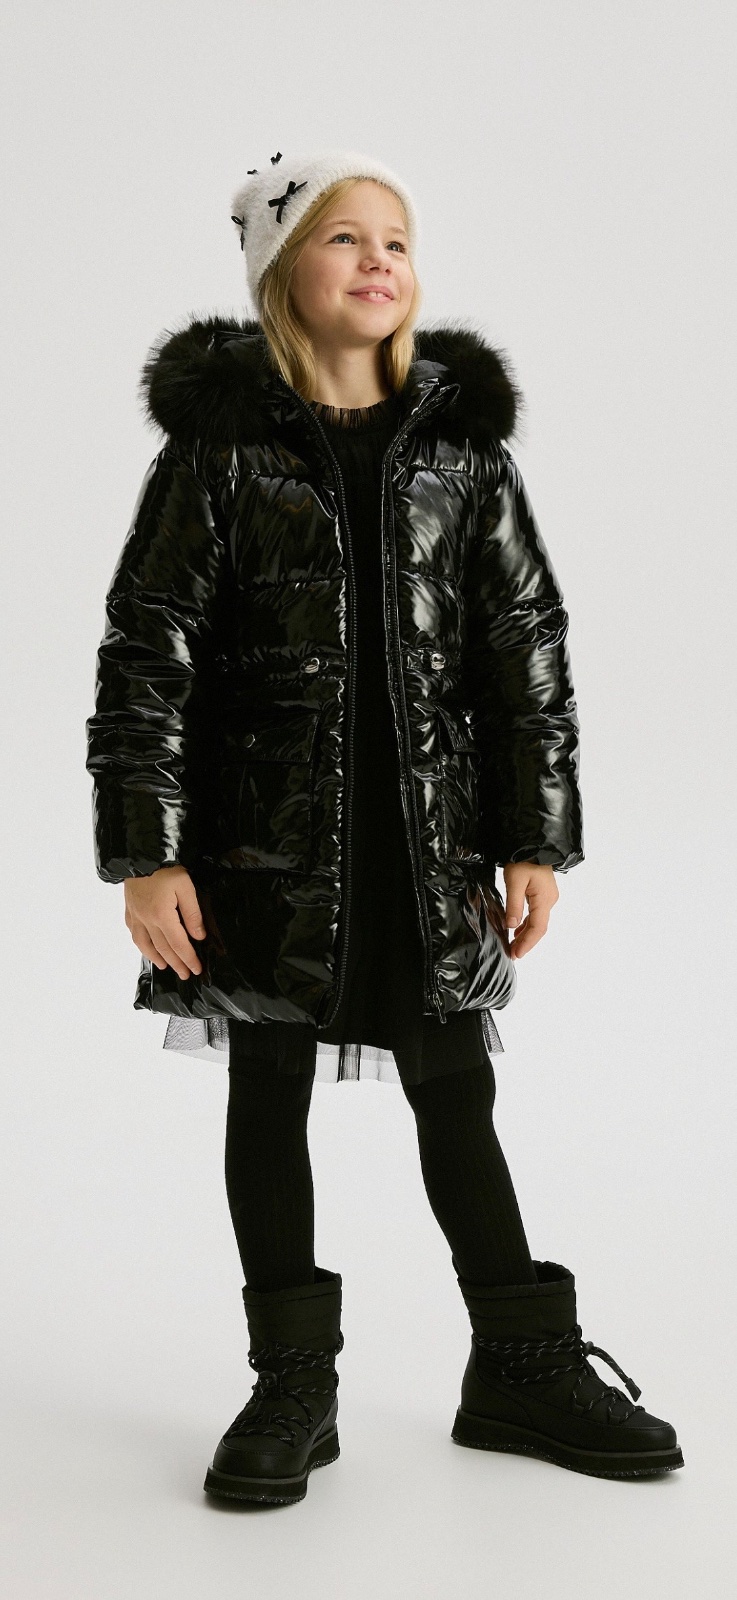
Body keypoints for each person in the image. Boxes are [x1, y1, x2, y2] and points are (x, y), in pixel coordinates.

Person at [85, 148, 683, 1505]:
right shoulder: (217, 457)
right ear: (279, 276)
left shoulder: (464, 456)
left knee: (454, 1084)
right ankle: (292, 1379)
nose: (376, 260)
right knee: (267, 1087)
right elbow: (148, 652)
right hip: (258, 847)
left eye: (396, 241)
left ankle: (519, 1360)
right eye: (342, 237)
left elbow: (524, 647)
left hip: (427, 844)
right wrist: (147, 851)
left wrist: (532, 838)